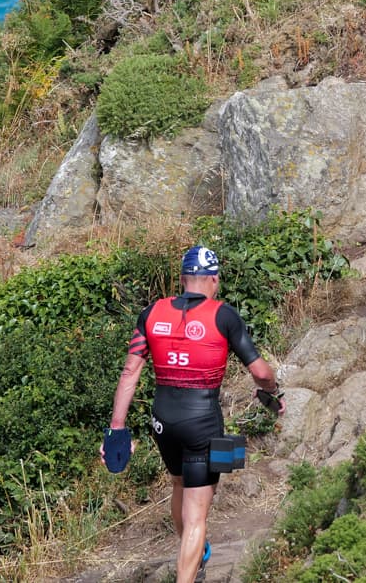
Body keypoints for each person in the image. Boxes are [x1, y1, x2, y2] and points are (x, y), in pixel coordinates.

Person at [103, 245, 282, 583]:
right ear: (213, 279)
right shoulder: (224, 315)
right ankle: (192, 563)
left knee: (178, 484)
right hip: (203, 421)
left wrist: (117, 428)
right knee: (197, 514)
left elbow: (129, 373)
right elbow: (260, 373)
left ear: (184, 279)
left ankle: (194, 550)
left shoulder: (152, 312)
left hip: (162, 421)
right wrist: (272, 392)